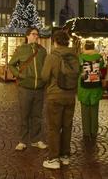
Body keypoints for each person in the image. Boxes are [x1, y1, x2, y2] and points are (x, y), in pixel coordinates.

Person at [40, 30, 79, 169]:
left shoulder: (52, 56)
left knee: (54, 128)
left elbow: (44, 76)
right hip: (70, 96)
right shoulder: (74, 56)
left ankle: (53, 159)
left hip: (55, 96)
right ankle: (65, 156)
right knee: (67, 126)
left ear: (55, 41)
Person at [8, 27, 47, 151]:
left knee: (37, 115)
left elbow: (46, 66)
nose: (36, 36)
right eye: (34, 34)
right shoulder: (21, 50)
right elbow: (11, 64)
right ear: (28, 36)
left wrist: (44, 78)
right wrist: (19, 75)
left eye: (37, 34)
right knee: (24, 115)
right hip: (25, 88)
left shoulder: (42, 50)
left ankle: (36, 139)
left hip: (39, 88)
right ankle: (23, 141)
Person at [78, 40, 104, 141]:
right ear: (93, 47)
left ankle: (86, 132)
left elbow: (78, 69)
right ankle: (94, 131)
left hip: (83, 86)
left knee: (85, 110)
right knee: (94, 109)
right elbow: (102, 67)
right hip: (96, 86)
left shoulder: (80, 57)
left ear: (85, 47)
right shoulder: (99, 58)